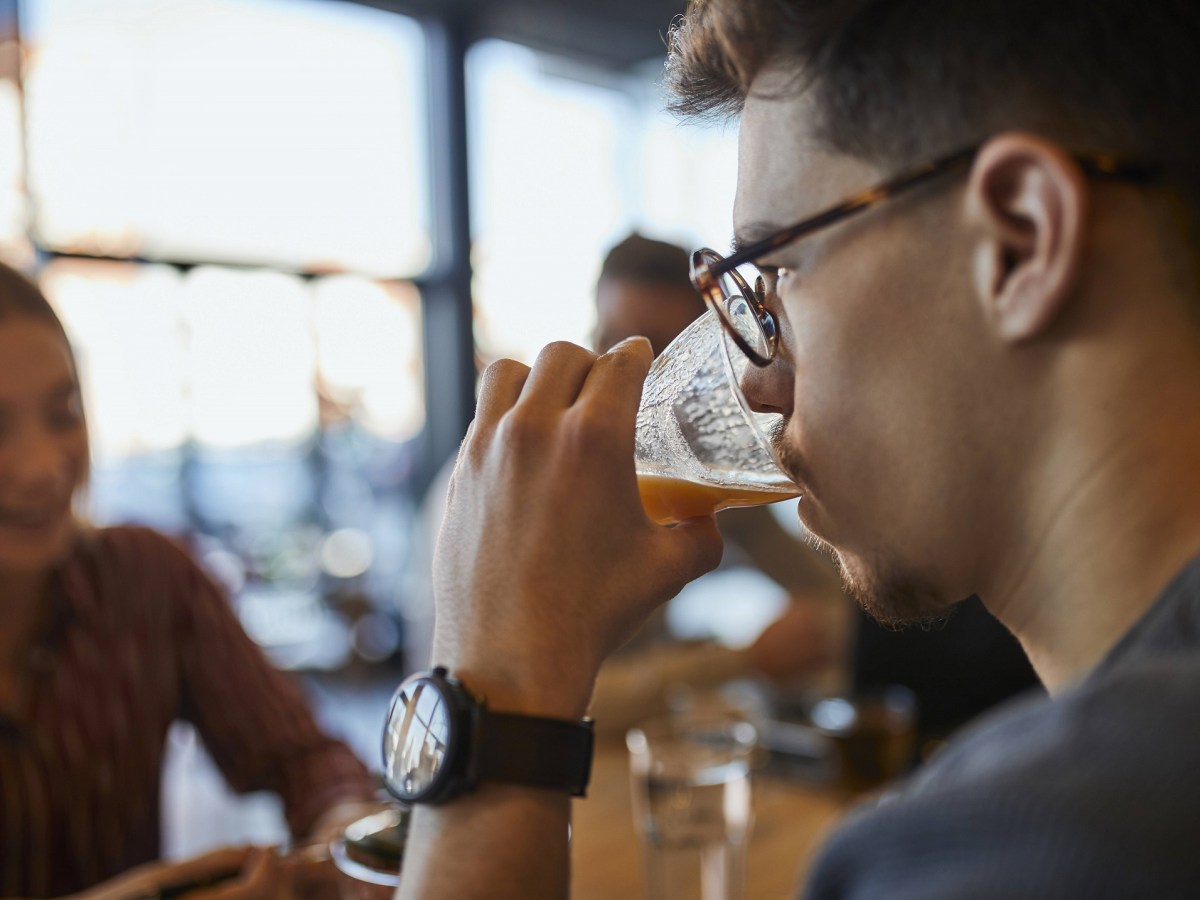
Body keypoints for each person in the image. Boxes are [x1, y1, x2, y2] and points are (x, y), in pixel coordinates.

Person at [394, 0, 1200, 895]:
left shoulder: (1034, 847)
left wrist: (491, 698)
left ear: (1018, 242)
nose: (749, 380)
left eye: (774, 275)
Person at [0, 262, 378, 897]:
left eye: (63, 414)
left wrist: (346, 831)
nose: (41, 467)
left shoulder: (147, 579)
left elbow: (302, 757)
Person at [588, 233, 1039, 744]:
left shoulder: (701, 483)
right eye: (611, 343)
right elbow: (558, 698)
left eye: (659, 348)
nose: (629, 377)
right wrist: (739, 661)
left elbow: (833, 601)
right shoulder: (553, 493)